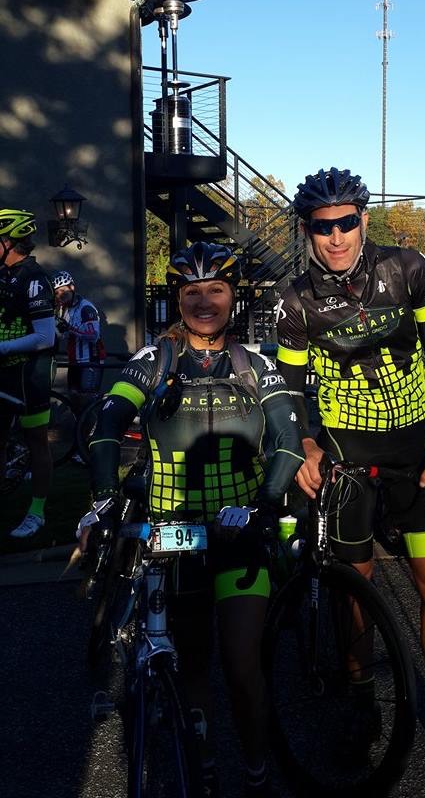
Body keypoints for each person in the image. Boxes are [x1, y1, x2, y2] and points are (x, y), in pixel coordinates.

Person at [275, 168, 425, 776]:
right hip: (347, 453)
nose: (335, 236)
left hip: (415, 453)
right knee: (354, 594)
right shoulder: (295, 298)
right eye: (322, 226)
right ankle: (361, 697)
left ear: (364, 220)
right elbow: (288, 389)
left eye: (346, 222)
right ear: (308, 230)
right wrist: (306, 445)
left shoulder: (410, 268)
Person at [78, 241, 304, 797]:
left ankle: (255, 769)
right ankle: (199, 764)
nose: (204, 301)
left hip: (238, 533)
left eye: (217, 289)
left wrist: (266, 505)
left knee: (242, 663)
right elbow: (107, 422)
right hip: (172, 536)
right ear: (178, 300)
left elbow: (288, 442)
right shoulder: (155, 360)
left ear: (233, 297)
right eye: (191, 291)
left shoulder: (256, 365)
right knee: (194, 663)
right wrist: (106, 495)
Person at [0, 208, 56, 537]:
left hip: (29, 375)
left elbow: (45, 337)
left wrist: (3, 348)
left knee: (37, 441)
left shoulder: (33, 279)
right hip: (3, 373)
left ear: (9, 242)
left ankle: (37, 512)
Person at [51, 270, 106, 414]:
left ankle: (94, 433)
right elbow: (63, 335)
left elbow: (93, 335)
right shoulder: (65, 309)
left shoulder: (85, 308)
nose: (60, 295)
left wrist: (69, 328)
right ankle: (80, 434)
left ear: (72, 287)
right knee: (74, 401)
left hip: (90, 362)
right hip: (75, 361)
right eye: (56, 293)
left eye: (63, 291)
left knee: (87, 403)